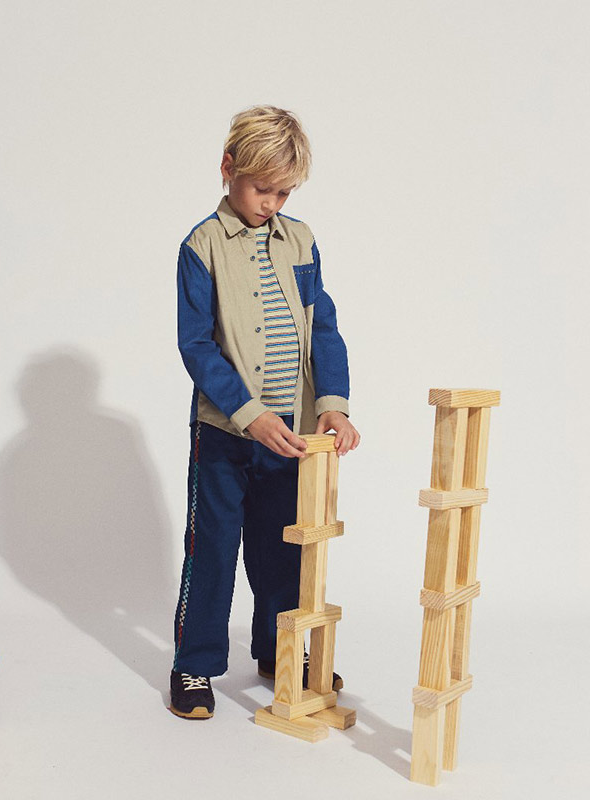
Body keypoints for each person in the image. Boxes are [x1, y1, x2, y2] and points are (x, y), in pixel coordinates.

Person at [169, 105, 360, 719]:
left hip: (292, 437)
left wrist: (332, 404)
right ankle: (195, 664)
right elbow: (197, 346)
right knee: (214, 551)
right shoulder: (201, 246)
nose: (271, 203)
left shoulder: (300, 240)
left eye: (284, 193)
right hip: (226, 435)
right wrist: (249, 414)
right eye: (261, 189)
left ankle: (279, 652)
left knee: (281, 553)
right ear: (228, 168)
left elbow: (322, 325)